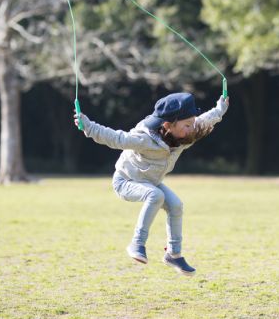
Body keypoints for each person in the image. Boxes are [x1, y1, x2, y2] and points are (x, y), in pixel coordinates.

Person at [74, 92, 229, 276]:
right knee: (155, 195)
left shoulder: (183, 135)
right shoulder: (145, 138)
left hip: (150, 183)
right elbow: (116, 138)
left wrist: (220, 108)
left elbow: (206, 120)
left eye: (192, 123)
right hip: (125, 181)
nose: (192, 129)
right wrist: (88, 126)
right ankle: (137, 244)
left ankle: (174, 254)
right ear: (168, 125)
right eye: (187, 125)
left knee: (176, 205)